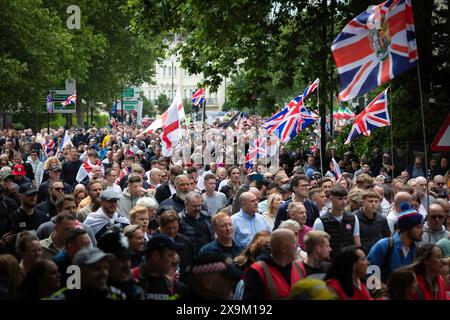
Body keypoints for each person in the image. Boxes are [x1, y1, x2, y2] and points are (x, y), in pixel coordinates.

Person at [368, 203, 424, 283]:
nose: (422, 231)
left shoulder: (417, 249)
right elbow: (370, 276)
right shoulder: (383, 246)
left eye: (422, 226)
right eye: (418, 227)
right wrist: (382, 292)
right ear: (406, 228)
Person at [243, 229, 306, 300]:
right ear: (283, 248)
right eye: (294, 243)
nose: (298, 245)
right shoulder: (257, 271)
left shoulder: (299, 267)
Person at [47, 247, 126, 300]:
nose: (104, 273)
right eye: (97, 269)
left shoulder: (117, 295)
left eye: (106, 268)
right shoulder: (61, 297)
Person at [313, 186, 361, 260]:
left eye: (345, 198)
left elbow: (357, 242)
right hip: (330, 263)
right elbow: (317, 247)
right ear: (331, 199)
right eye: (340, 199)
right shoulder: (320, 222)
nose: (343, 202)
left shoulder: (353, 218)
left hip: (349, 261)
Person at [97, 229, 144, 300]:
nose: (127, 265)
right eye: (120, 259)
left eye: (128, 258)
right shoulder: (94, 292)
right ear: (105, 261)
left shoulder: (136, 289)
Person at [136, 233, 184, 300]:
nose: (173, 260)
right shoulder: (132, 278)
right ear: (156, 256)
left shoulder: (168, 284)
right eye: (169, 255)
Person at [158, 209, 194, 277]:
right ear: (161, 227)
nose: (172, 231)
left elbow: (189, 264)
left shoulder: (186, 242)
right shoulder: (155, 243)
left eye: (175, 228)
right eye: (168, 228)